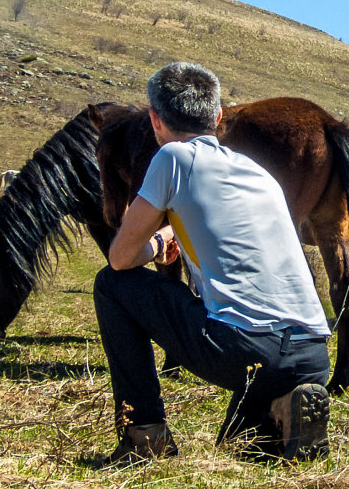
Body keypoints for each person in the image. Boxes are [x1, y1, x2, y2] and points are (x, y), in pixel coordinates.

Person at [94, 61, 333, 466]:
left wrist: (157, 240)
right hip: (312, 354)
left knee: (111, 284)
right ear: (218, 117)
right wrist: (176, 234)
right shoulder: (257, 173)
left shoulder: (172, 157)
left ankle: (143, 435)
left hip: (246, 349)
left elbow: (121, 258)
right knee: (239, 448)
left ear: (155, 119)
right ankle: (286, 406)